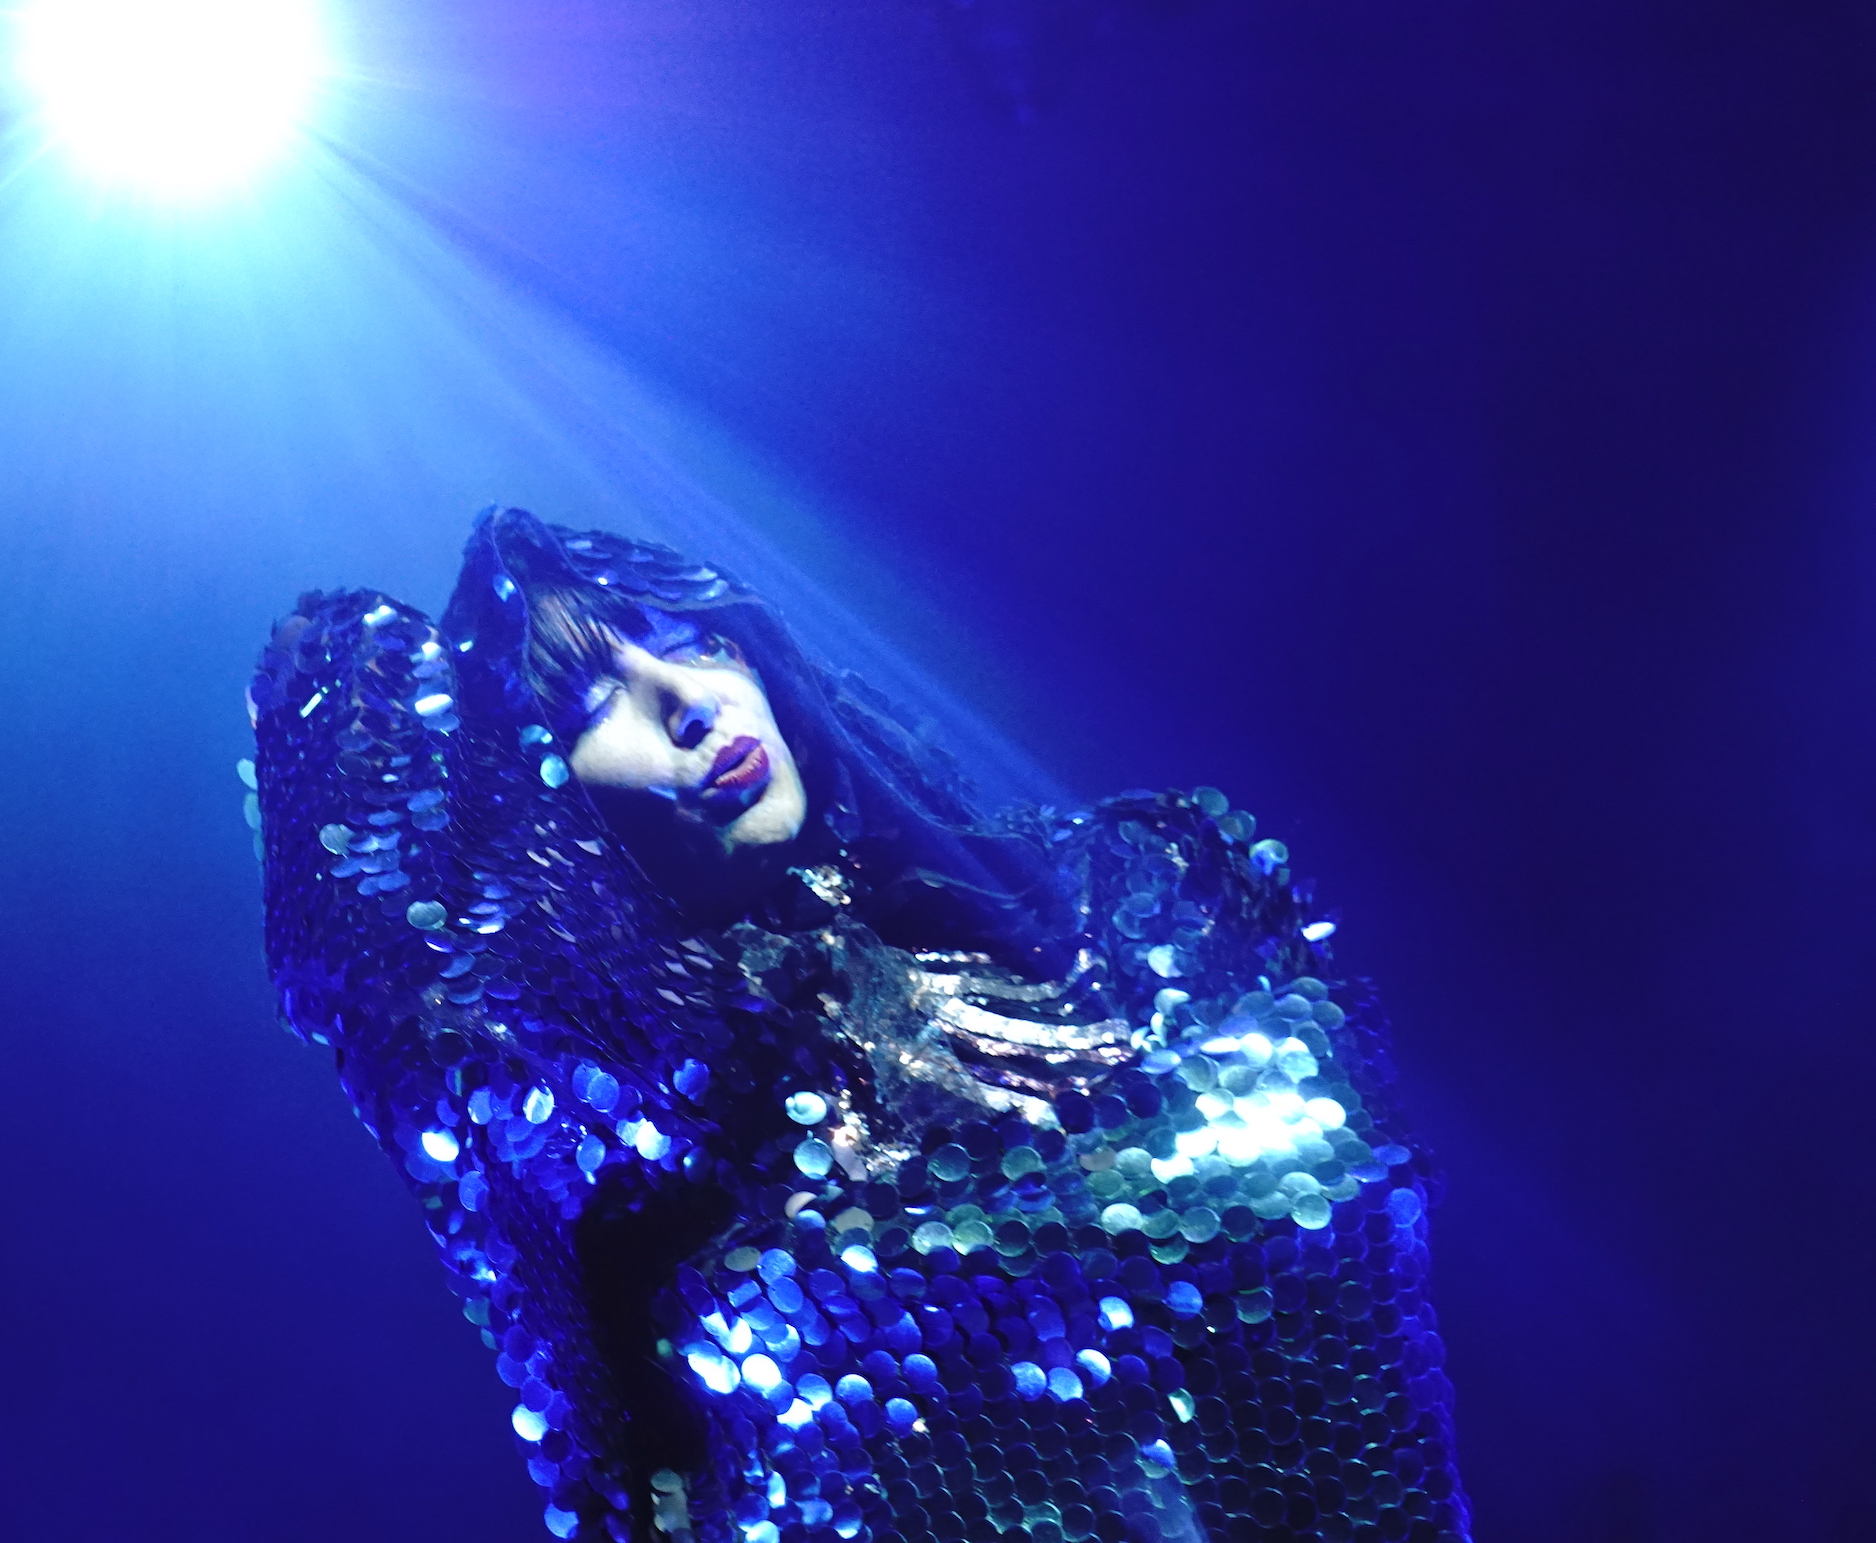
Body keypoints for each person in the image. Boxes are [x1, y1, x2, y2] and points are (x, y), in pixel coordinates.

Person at [247, 508, 1466, 1543]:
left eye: (686, 637)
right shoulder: (633, 1196)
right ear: (546, 812)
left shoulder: (1134, 914)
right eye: (591, 702)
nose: (687, 699)